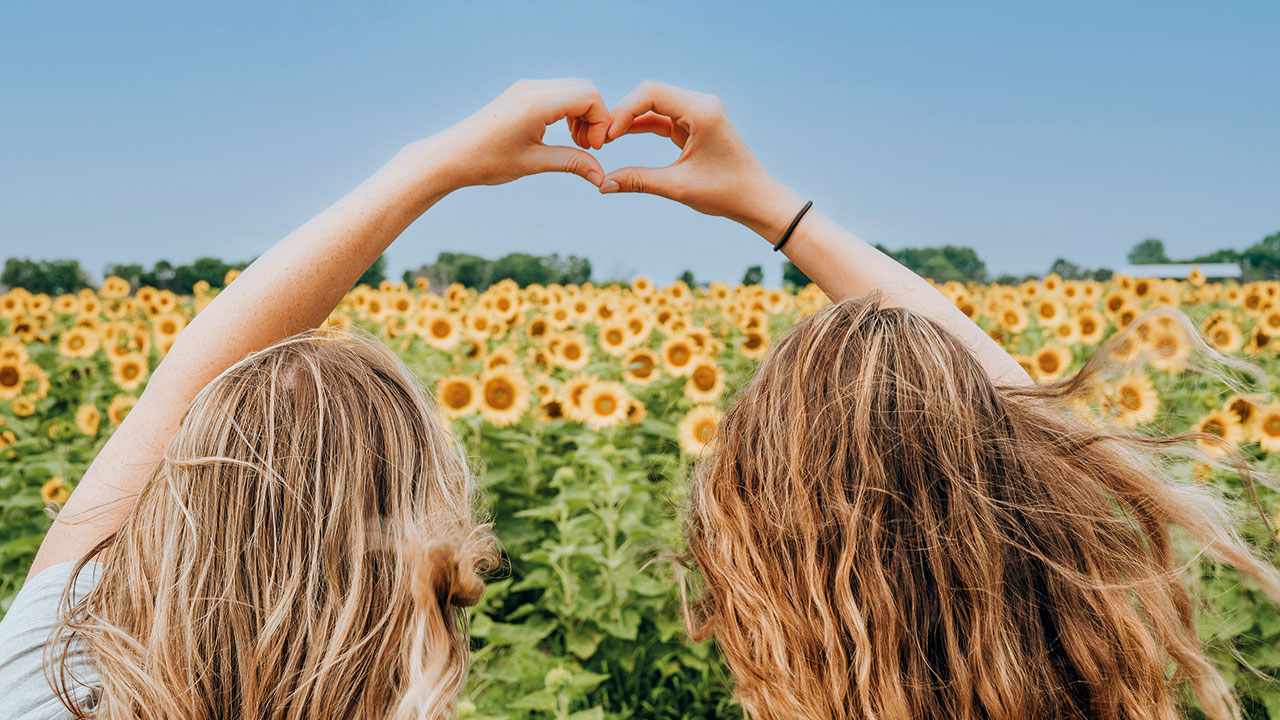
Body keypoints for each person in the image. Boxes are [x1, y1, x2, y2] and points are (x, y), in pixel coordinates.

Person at [589, 81, 1280, 720]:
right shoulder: (1078, 692)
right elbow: (1026, 429)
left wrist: (762, 205)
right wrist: (770, 204)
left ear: (771, 574)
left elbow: (1023, 427)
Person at [0, 78, 615, 720]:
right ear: (417, 589)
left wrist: (430, 164)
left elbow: (177, 390)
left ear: (168, 535)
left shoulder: (43, 686)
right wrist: (436, 167)